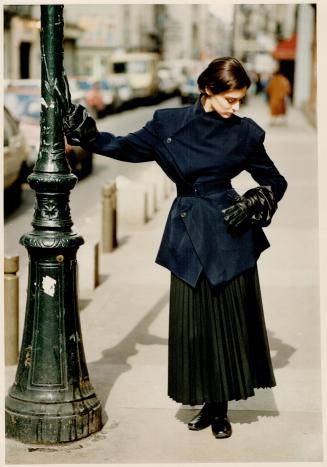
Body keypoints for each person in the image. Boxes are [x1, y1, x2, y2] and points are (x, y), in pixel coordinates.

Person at [57, 57, 287, 439]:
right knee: (194, 325)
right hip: (187, 231)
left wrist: (257, 199)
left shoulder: (246, 133)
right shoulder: (168, 124)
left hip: (231, 230)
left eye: (240, 99)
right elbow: (125, 146)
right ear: (207, 91)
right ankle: (202, 401)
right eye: (230, 98)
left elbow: (274, 179)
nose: (237, 107)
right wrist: (91, 137)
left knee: (227, 321)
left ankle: (221, 407)